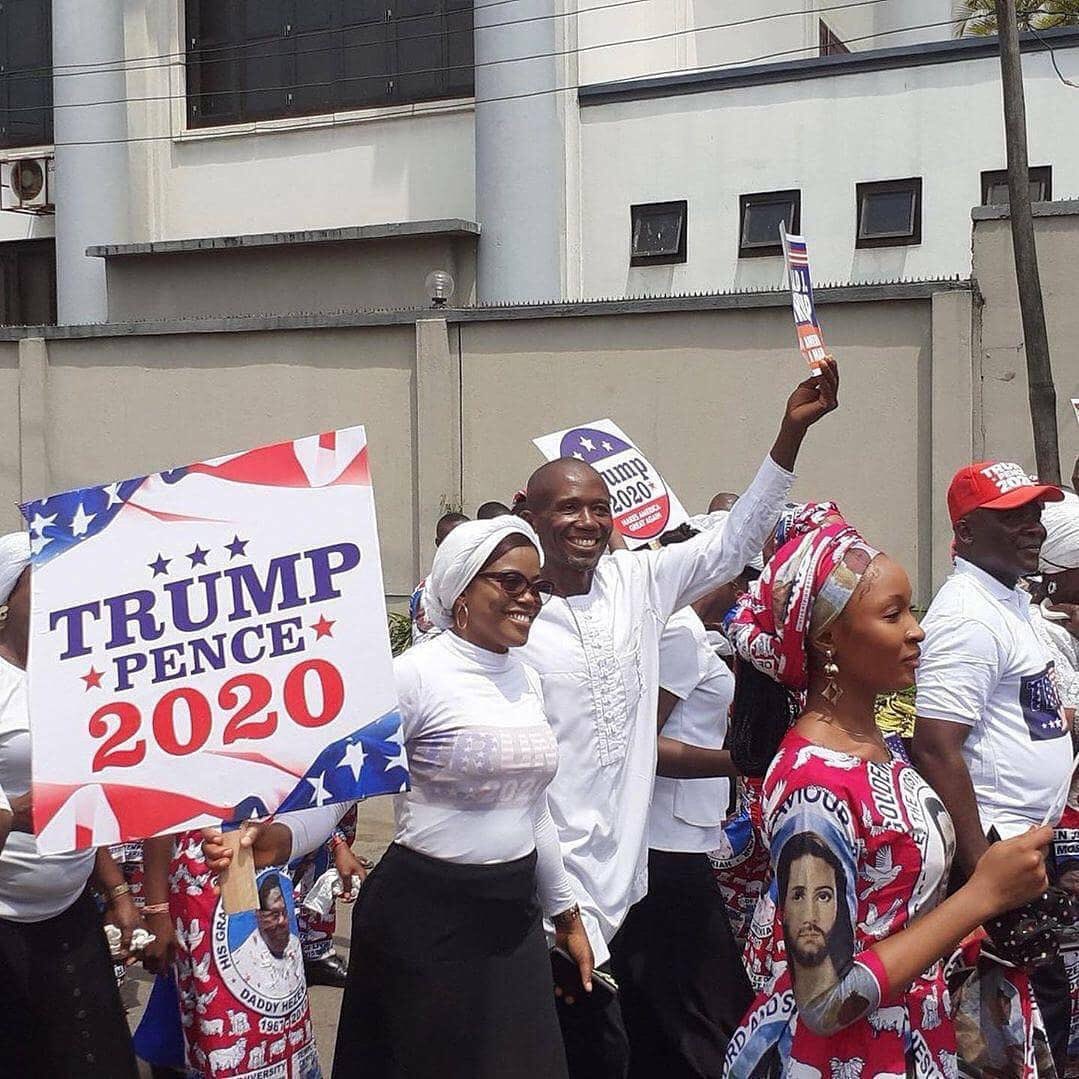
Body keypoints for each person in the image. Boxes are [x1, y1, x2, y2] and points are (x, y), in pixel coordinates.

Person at [517, 359, 840, 1077]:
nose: (587, 521)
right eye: (568, 507)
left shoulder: (638, 580)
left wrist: (788, 434)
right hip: (539, 884)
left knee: (630, 1042)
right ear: (529, 513)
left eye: (598, 508)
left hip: (626, 881)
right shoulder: (514, 617)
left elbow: (732, 541)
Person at [205, 517, 592, 1079]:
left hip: (512, 920)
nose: (529, 598)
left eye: (538, 585)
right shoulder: (412, 677)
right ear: (462, 589)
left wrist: (566, 915)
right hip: (426, 920)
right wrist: (278, 840)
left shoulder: (527, 680)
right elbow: (338, 792)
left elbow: (533, 810)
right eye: (511, 582)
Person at [722, 513, 1053, 1077]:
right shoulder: (814, 787)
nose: (916, 630)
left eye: (911, 611)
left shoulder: (878, 747)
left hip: (910, 1037)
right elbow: (825, 1000)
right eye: (892, 614)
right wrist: (980, 896)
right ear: (828, 639)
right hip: (845, 1058)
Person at [912, 461, 1074, 1069]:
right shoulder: (967, 615)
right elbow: (934, 743)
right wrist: (981, 867)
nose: (1033, 526)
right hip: (994, 854)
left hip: (1026, 850)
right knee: (995, 1032)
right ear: (969, 530)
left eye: (1035, 512)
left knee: (1036, 1017)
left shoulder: (1008, 601)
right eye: (1014, 516)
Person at [608, 523, 751, 1078]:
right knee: (697, 997)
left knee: (667, 992)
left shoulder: (694, 632)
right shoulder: (680, 635)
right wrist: (736, 761)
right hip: (666, 839)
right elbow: (643, 745)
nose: (741, 592)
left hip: (684, 831)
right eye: (735, 578)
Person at [0, 532, 140, 1078]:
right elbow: (37, 805)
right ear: (9, 595)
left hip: (72, 913)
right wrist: (16, 811)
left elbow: (84, 800)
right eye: (44, 579)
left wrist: (119, 890)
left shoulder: (81, 676)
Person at [409, 510, 468, 643]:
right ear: (438, 543)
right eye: (452, 541)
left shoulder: (474, 583)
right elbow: (427, 646)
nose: (462, 546)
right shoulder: (428, 593)